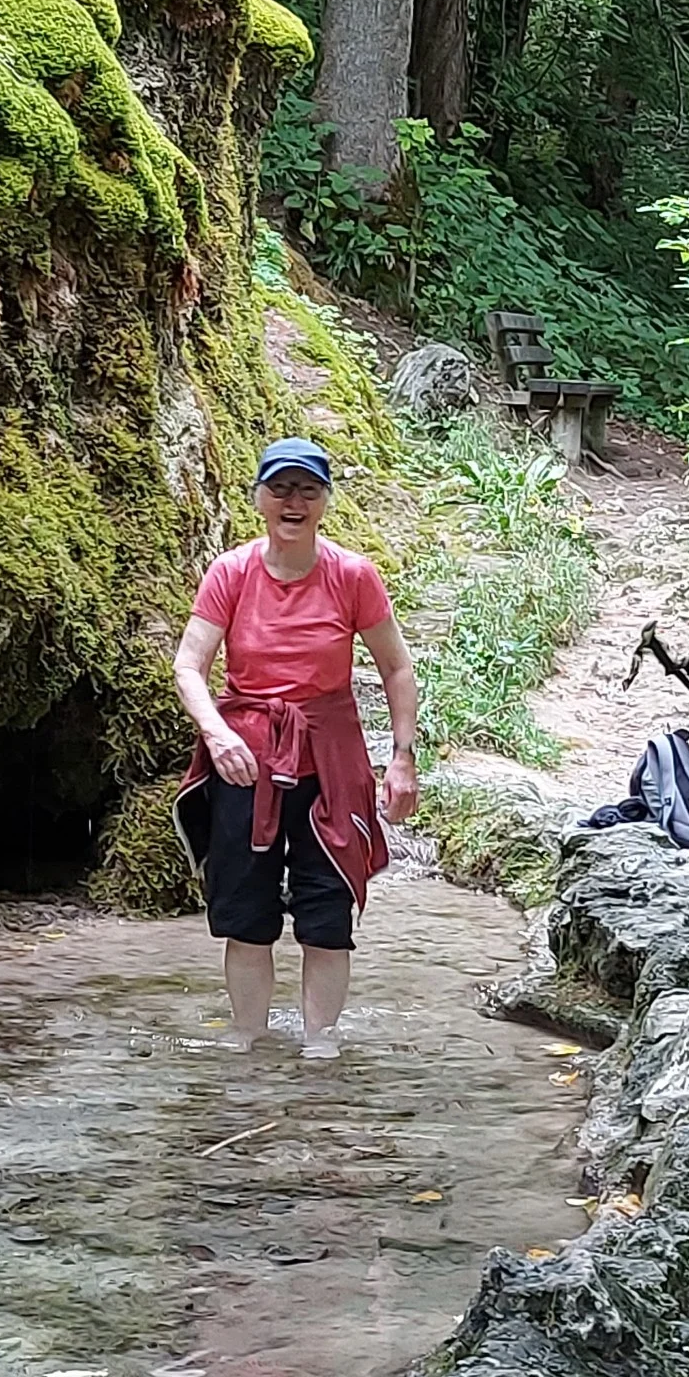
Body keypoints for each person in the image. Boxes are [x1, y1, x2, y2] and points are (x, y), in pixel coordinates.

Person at [172, 437, 419, 1058]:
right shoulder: (230, 572)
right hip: (244, 759)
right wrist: (217, 732)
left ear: (325, 502)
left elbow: (395, 669)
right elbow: (189, 666)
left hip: (329, 762)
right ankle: (248, 1036)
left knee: (327, 906)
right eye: (280, 488)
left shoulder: (354, 575)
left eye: (308, 490)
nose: (293, 502)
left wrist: (401, 756)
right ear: (259, 499)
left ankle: (321, 1043)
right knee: (245, 908)